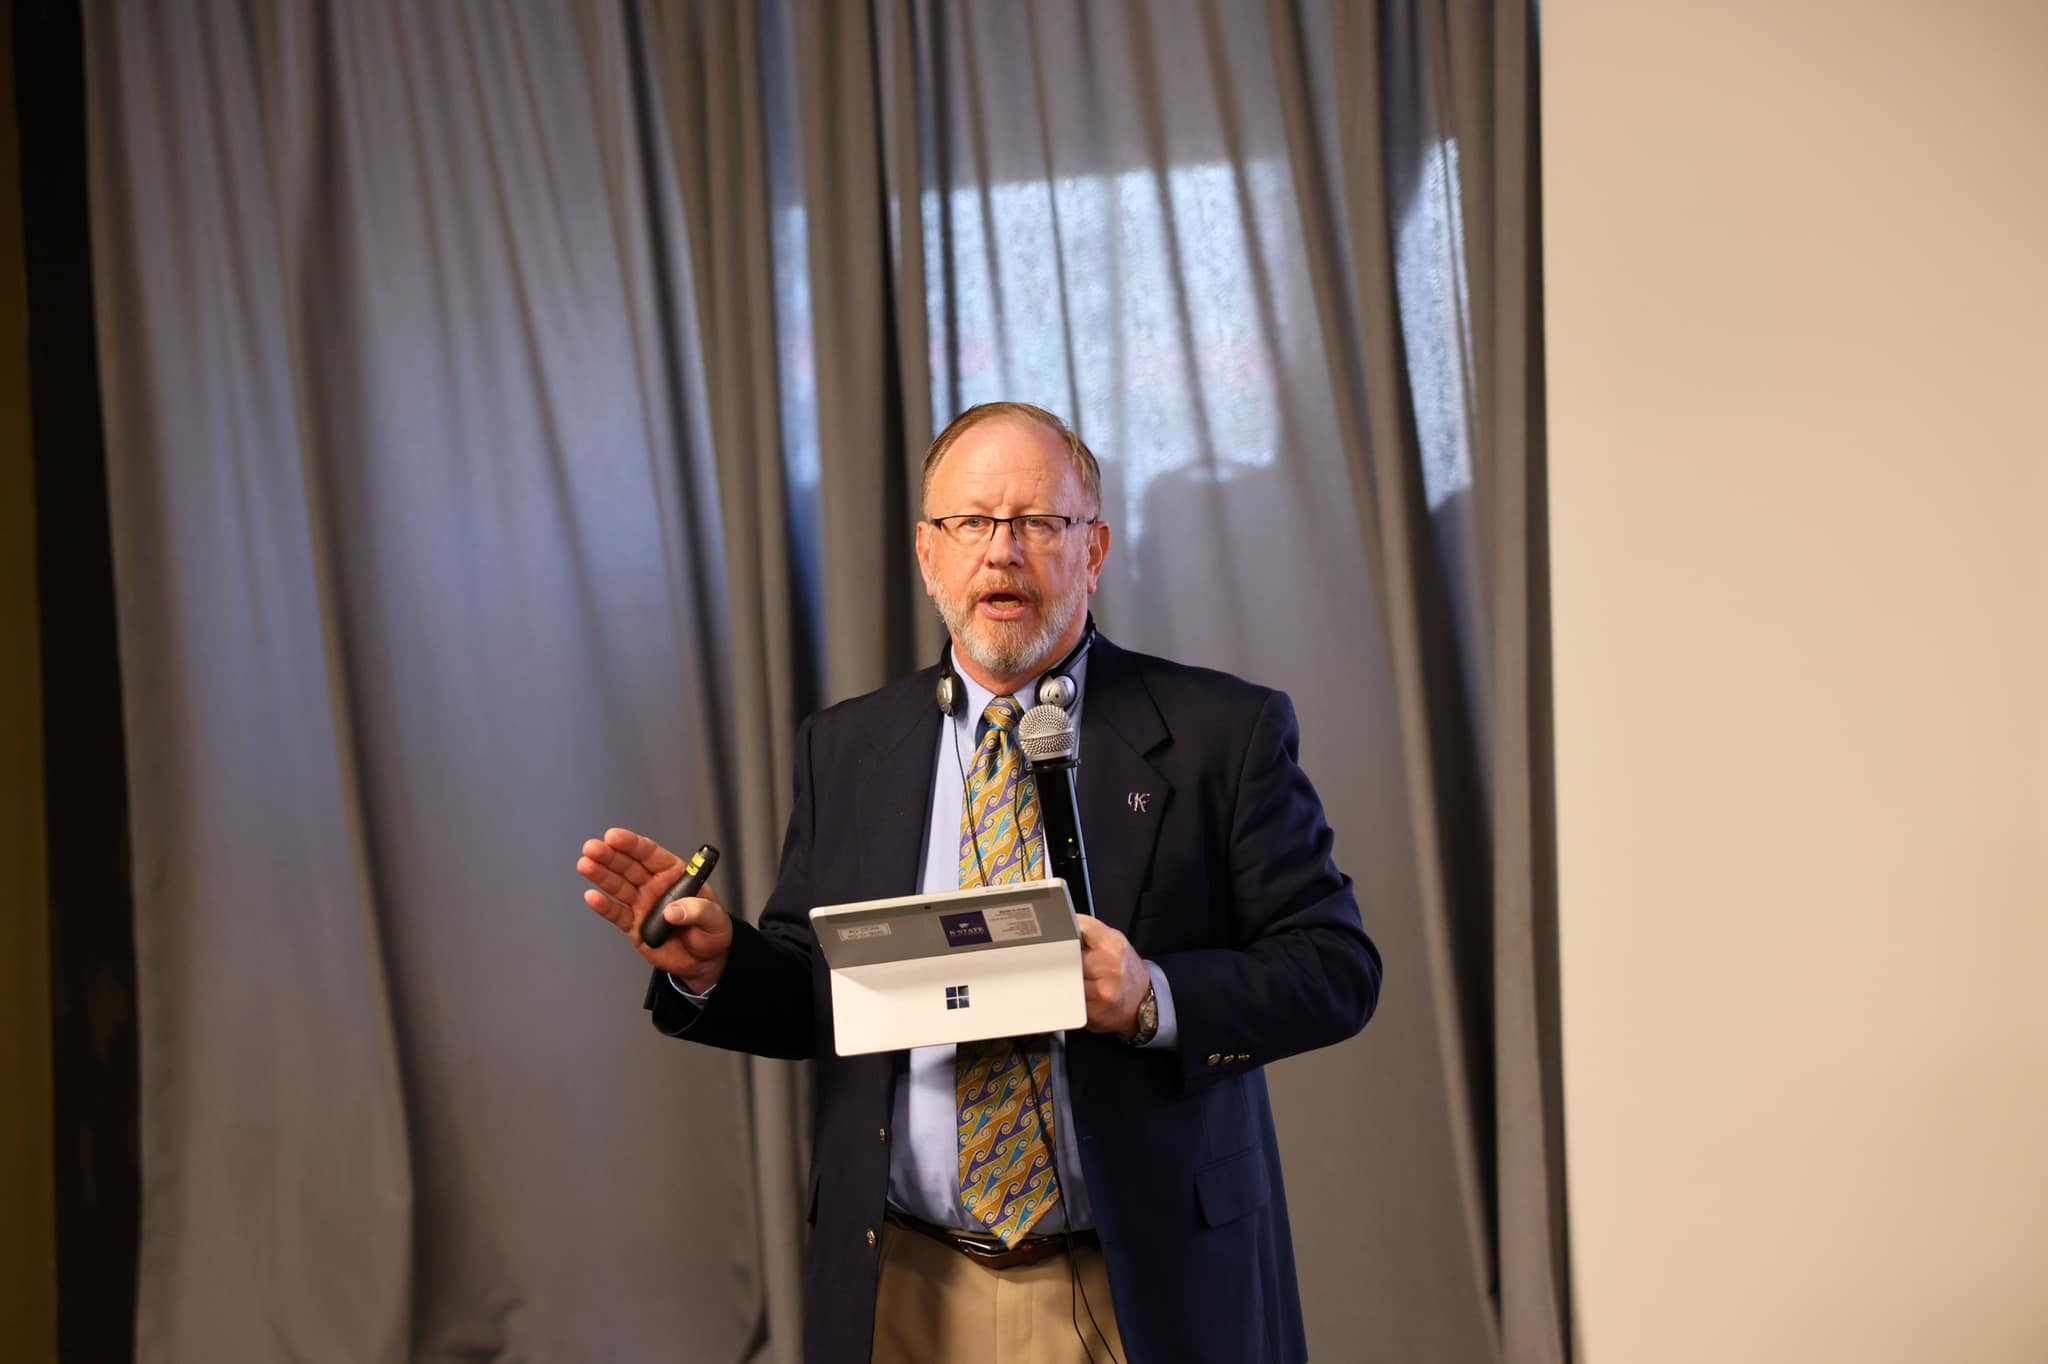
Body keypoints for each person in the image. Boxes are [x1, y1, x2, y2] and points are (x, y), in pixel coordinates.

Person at [576, 402, 1381, 1364]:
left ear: (1094, 551)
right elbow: (819, 991)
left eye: (1038, 521)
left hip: (1140, 1284)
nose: (1002, 551)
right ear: (928, 555)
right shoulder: (847, 747)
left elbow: (1336, 967)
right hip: (904, 1284)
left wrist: (1151, 998)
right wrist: (717, 966)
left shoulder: (1223, 732)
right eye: (971, 522)